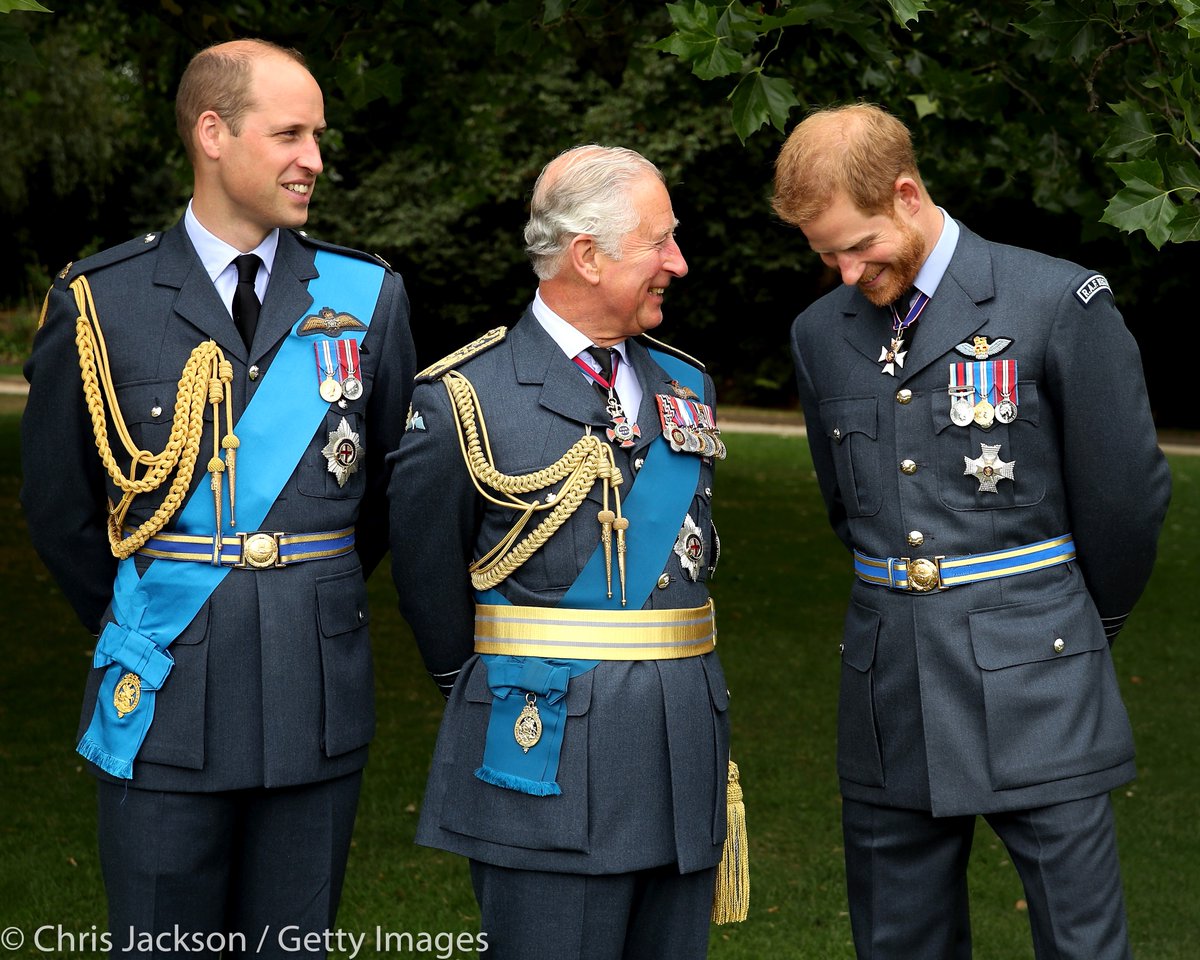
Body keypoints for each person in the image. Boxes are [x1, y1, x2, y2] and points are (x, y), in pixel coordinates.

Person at [20, 39, 416, 955]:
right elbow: (60, 509)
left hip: (316, 699)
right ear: (212, 133)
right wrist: (150, 616)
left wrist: (301, 599)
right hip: (164, 693)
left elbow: (388, 494)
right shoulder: (102, 299)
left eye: (317, 135)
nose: (314, 158)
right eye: (289, 133)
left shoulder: (367, 295)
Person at [773, 102, 1171, 959]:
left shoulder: (1055, 300)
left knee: (1082, 944)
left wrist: (1077, 628)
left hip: (1042, 676)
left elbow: (1126, 498)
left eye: (858, 245)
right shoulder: (821, 335)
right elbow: (848, 507)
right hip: (888, 692)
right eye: (824, 254)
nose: (844, 272)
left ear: (907, 195)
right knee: (898, 942)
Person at [389, 144, 743, 960]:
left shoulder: (687, 385)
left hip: (683, 744)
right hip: (543, 750)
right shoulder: (462, 398)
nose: (678, 264)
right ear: (586, 255)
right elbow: (428, 586)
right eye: (659, 242)